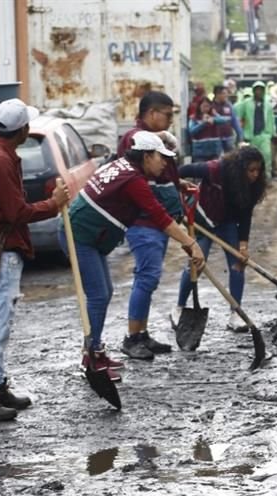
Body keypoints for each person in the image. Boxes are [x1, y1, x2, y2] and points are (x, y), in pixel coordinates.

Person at [60, 132, 204, 384]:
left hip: (88, 235)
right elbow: (159, 216)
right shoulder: (133, 180)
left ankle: (96, 351)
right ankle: (91, 359)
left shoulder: (124, 167)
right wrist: (190, 243)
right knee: (98, 296)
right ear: (146, 156)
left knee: (104, 292)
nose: (164, 163)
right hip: (78, 236)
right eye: (161, 157)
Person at [0, 98, 71, 421]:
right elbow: (17, 213)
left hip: (0, 246)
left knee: (1, 320)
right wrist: (53, 203)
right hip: (2, 248)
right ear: (22, 130)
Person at [118, 91, 186, 360]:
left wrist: (178, 185)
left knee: (149, 278)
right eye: (167, 115)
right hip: (143, 221)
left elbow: (160, 175)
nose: (170, 120)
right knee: (146, 278)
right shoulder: (135, 139)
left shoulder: (154, 140)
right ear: (152, 113)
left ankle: (142, 334)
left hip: (157, 223)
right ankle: (132, 338)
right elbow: (135, 180)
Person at [173, 146, 267, 332]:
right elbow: (182, 171)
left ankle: (235, 314)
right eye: (251, 170)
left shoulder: (253, 186)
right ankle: (179, 308)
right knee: (196, 263)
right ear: (240, 168)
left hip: (227, 223)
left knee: (238, 264)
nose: (255, 175)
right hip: (203, 220)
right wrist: (177, 186)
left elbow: (245, 216)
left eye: (258, 170)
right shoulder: (216, 169)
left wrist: (243, 246)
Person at [235, 81, 276, 179]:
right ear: (253, 91)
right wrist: (239, 132)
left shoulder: (268, 105)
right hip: (250, 135)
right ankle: (250, 178)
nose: (259, 92)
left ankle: (266, 177)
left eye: (261, 89)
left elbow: (271, 119)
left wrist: (273, 133)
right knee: (250, 159)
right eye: (257, 89)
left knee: (266, 156)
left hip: (264, 134)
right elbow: (237, 114)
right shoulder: (246, 103)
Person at [189, 97, 224, 162]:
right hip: (200, 152)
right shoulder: (194, 118)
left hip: (214, 151)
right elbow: (191, 131)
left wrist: (214, 118)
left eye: (208, 106)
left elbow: (224, 120)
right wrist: (203, 123)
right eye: (203, 106)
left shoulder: (214, 116)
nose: (206, 108)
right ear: (199, 107)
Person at [212, 84, 243, 151]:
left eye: (226, 93)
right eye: (224, 93)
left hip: (229, 137)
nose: (226, 95)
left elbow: (235, 121)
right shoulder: (211, 106)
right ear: (217, 94)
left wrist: (240, 135)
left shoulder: (229, 105)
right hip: (216, 139)